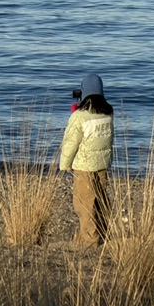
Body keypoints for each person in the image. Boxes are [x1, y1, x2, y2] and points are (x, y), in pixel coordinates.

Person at [58, 72, 114, 247]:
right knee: (100, 200)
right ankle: (102, 231)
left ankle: (89, 239)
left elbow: (70, 143)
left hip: (84, 167)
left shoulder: (79, 116)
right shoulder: (108, 113)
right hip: (102, 165)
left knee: (84, 203)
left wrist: (65, 164)